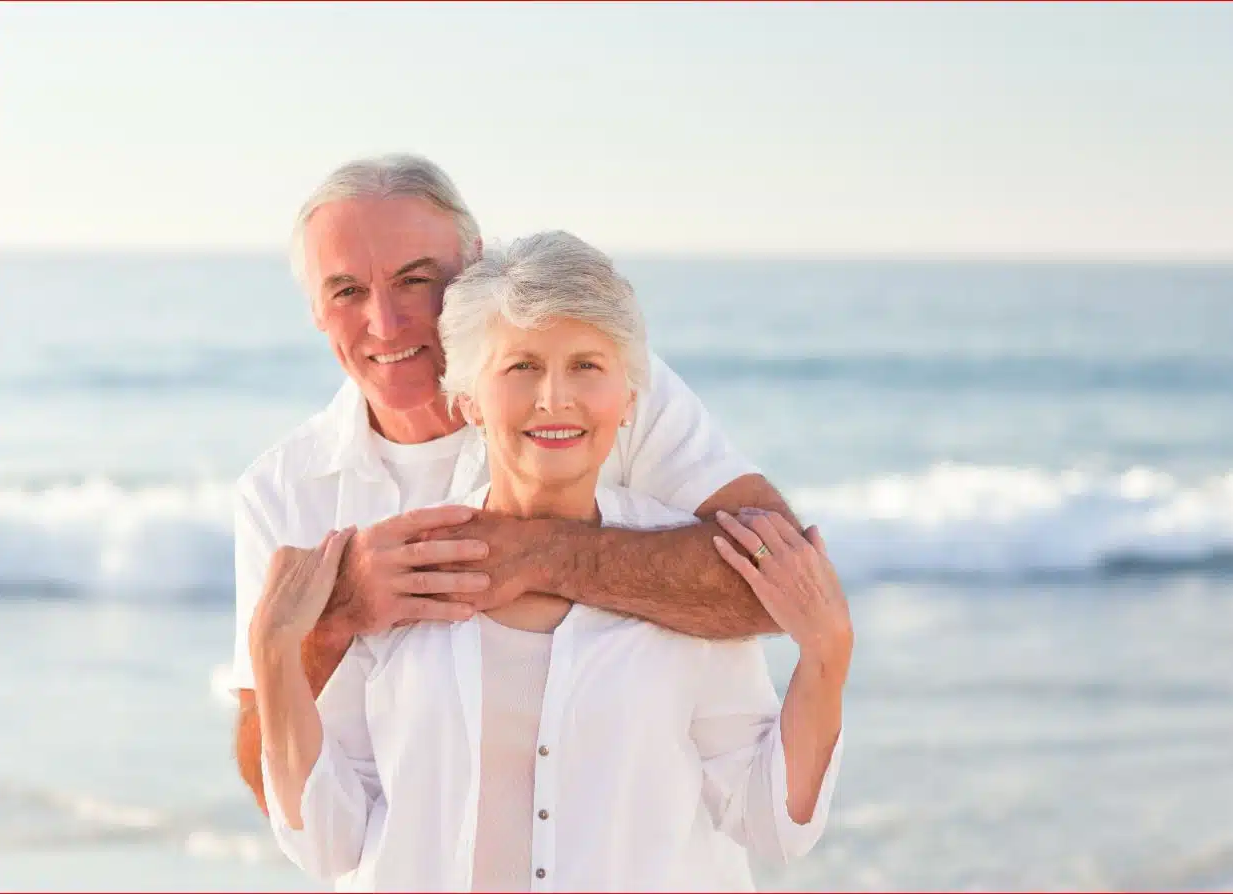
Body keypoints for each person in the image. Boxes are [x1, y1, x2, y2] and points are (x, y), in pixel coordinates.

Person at [249, 231, 852, 890]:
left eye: (587, 366)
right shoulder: (399, 568)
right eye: (522, 367)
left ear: (629, 400)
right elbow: (329, 839)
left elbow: (770, 823)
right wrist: (275, 653)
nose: (555, 398)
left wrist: (826, 658)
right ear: (468, 402)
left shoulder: (682, 583)